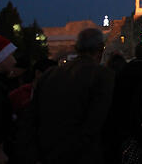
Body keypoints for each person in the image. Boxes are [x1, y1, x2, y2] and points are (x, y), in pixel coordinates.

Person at [27, 28, 114, 164]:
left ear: (76, 47)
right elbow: (96, 121)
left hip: (49, 151)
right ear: (100, 49)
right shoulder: (102, 75)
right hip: (83, 155)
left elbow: (33, 117)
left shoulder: (50, 74)